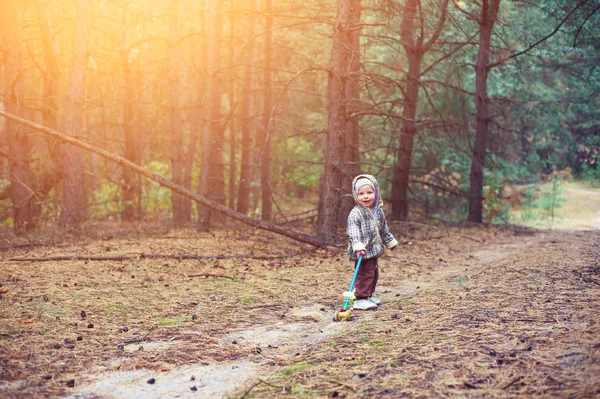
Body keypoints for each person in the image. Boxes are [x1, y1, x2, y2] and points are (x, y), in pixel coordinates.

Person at [346, 174, 398, 310]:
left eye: (369, 192)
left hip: (374, 250)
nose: (366, 196)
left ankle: (368, 295)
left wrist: (390, 242)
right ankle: (360, 298)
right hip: (362, 251)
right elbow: (353, 232)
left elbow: (383, 229)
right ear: (355, 195)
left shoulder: (378, 211)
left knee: (373, 273)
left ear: (376, 192)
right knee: (364, 274)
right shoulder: (356, 213)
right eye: (361, 193)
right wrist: (358, 246)